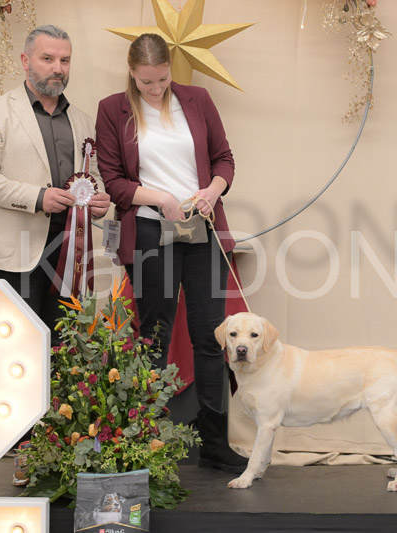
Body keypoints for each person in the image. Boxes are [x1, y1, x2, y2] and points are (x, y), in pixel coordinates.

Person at [95, 34, 247, 474]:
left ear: (170, 70)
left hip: (202, 227)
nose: (155, 88)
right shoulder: (112, 109)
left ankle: (214, 443)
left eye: (162, 79)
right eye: (146, 82)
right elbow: (114, 181)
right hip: (148, 230)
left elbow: (224, 159)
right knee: (154, 335)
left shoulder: (197, 100)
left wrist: (212, 191)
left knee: (211, 336)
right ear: (131, 72)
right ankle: (147, 440)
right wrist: (160, 197)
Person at [0, 25, 110, 348]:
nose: (58, 68)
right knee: (15, 350)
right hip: (17, 254)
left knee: (64, 353)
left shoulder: (83, 121)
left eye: (65, 60)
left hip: (71, 255)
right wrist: (38, 197)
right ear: (25, 60)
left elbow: (93, 176)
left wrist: (100, 200)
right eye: (47, 59)